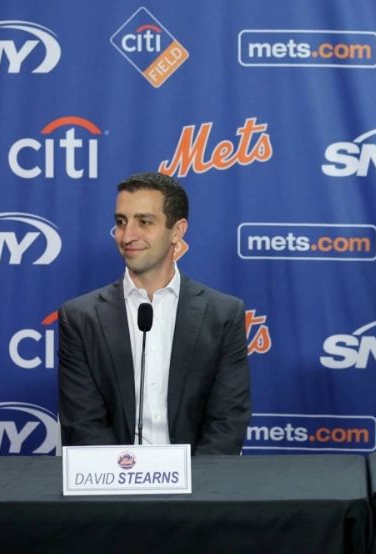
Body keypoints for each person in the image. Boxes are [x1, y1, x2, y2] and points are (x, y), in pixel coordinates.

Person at [58, 172, 251, 454]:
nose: (128, 235)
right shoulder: (79, 317)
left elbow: (228, 420)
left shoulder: (223, 314)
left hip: (198, 488)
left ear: (177, 230)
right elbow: (83, 424)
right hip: (112, 487)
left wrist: (194, 490)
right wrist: (123, 481)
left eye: (144, 222)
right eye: (121, 222)